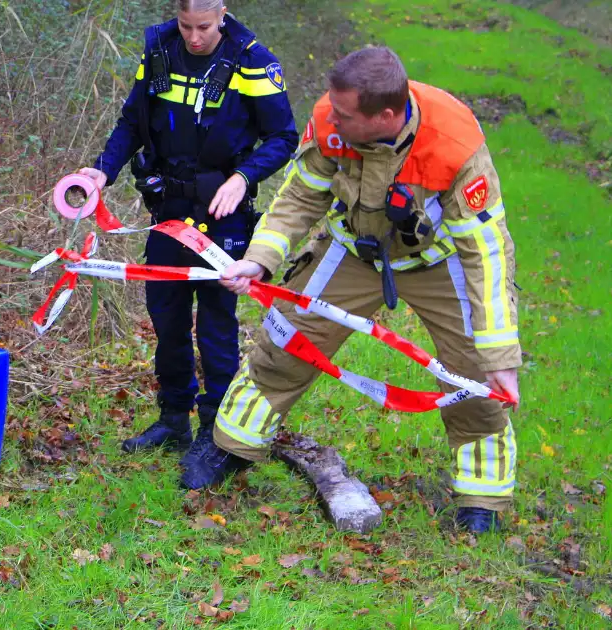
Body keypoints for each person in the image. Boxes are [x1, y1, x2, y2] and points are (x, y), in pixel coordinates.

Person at [186, 45, 522, 534]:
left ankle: (483, 499)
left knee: (474, 378)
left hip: (438, 260)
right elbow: (300, 195)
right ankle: (231, 447)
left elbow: (487, 250)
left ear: (385, 115)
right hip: (351, 250)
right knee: (284, 343)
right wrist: (261, 259)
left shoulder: (453, 141)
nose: (330, 115)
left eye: (344, 113)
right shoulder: (330, 119)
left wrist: (498, 353)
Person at [78, 0, 298, 468]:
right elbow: (132, 124)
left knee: (216, 326)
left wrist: (243, 178)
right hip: (168, 213)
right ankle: (173, 418)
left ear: (223, 13)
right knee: (167, 319)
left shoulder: (254, 60)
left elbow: (283, 137)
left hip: (224, 215)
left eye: (203, 26)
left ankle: (216, 435)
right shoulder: (159, 51)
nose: (194, 37)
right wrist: (102, 173)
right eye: (185, 26)